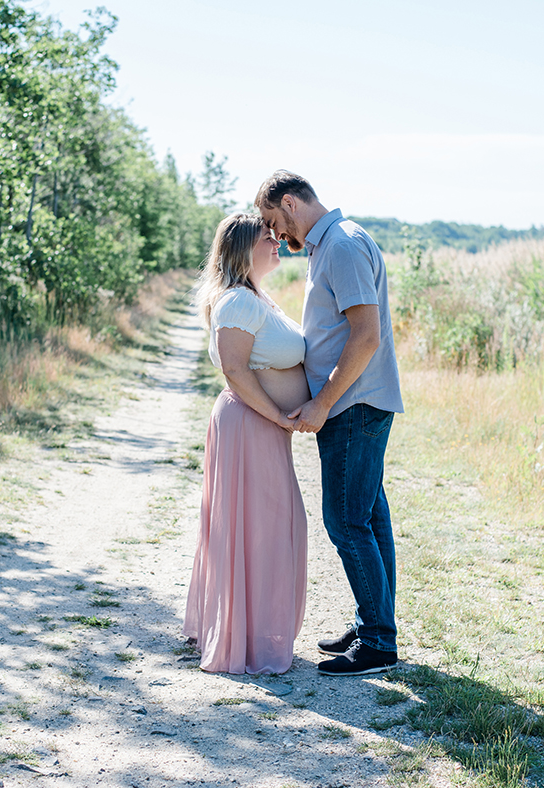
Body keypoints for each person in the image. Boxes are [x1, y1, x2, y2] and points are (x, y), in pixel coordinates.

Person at [255, 170, 404, 676]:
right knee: (369, 515)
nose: (278, 237)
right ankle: (374, 624)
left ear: (292, 203)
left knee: (346, 520)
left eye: (276, 223)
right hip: (355, 402)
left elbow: (366, 336)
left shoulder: (340, 245)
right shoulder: (333, 245)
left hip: (352, 404)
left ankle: (379, 643)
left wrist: (322, 404)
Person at [183, 212, 309, 674]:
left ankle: (253, 631)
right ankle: (246, 639)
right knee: (261, 529)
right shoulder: (236, 301)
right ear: (241, 248)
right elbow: (235, 371)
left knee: (270, 528)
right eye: (267, 237)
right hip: (251, 425)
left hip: (262, 428)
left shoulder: (256, 297)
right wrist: (277, 414)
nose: (277, 242)